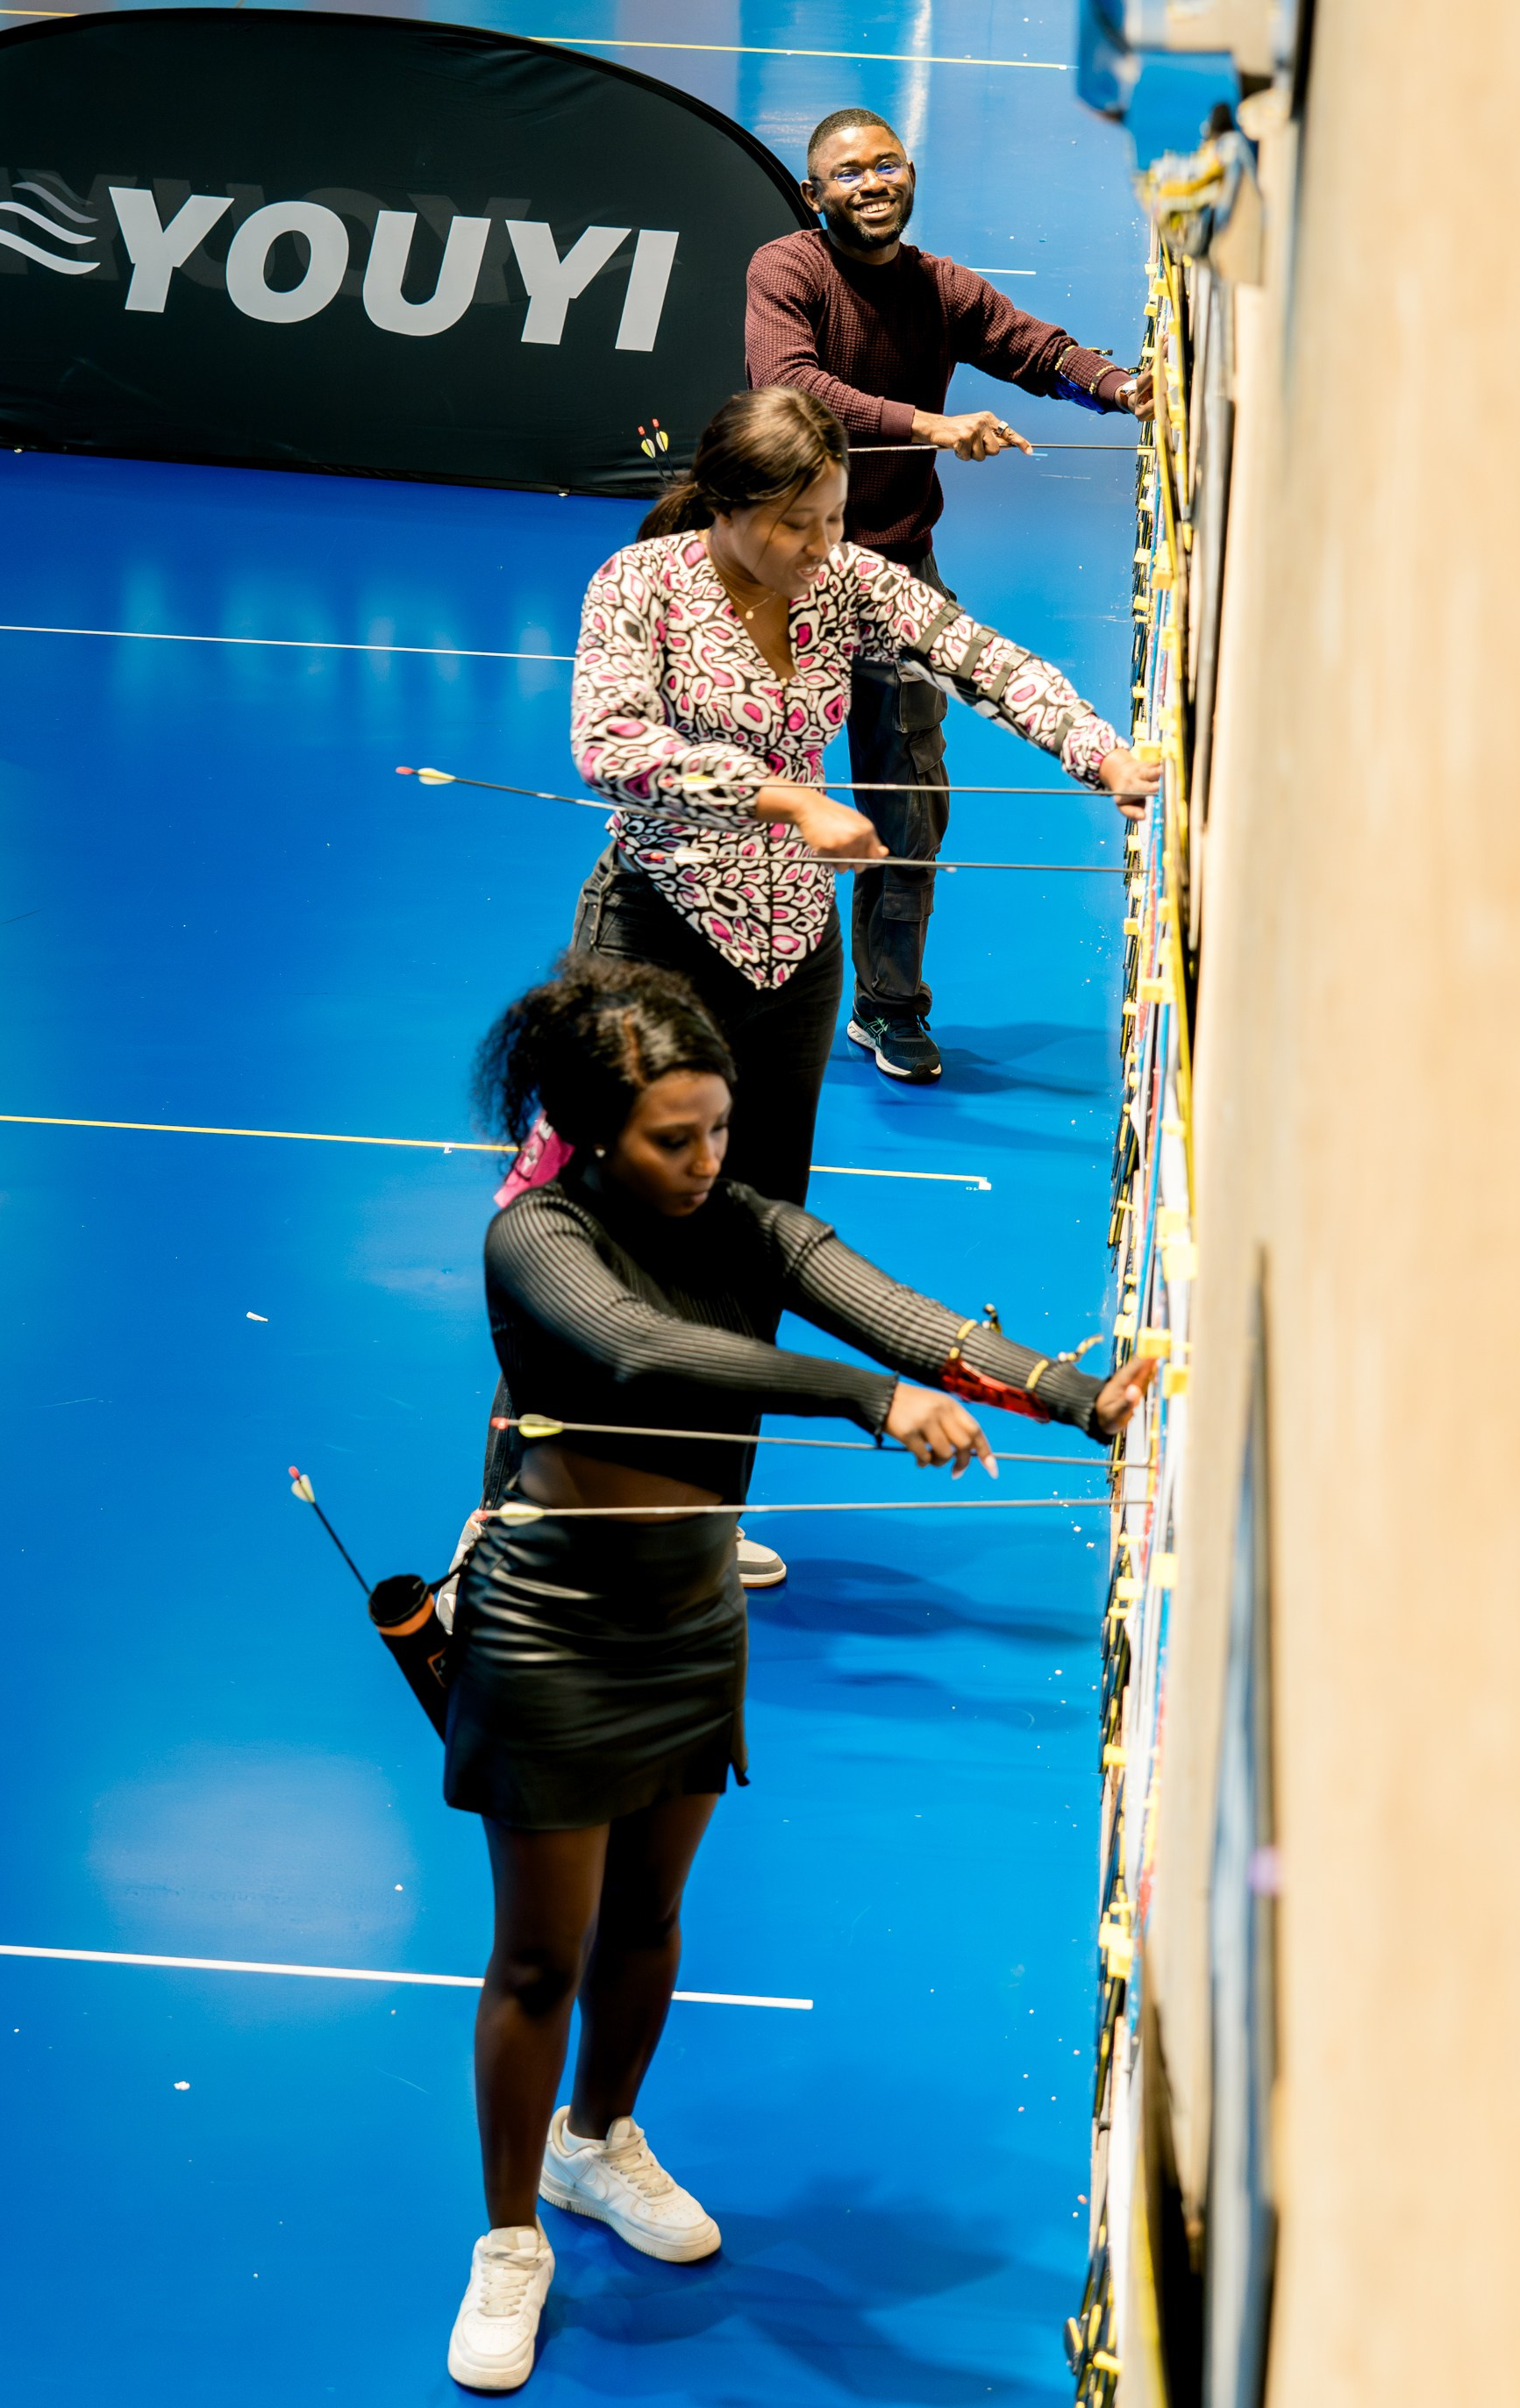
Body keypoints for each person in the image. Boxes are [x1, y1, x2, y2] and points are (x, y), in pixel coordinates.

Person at [441, 954, 1155, 2390]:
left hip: (690, 1619)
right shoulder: (537, 1240)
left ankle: (597, 2145)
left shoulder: (745, 1218)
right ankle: (509, 2238)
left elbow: (898, 1314)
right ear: (591, 1137)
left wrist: (1072, 1394)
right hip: (553, 1627)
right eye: (675, 1138)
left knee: (649, 1917)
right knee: (540, 1955)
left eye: (721, 1125)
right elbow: (644, 1356)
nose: (710, 1159)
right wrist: (873, 1401)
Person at [569, 381, 1156, 1209]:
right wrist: (789, 801)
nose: (821, 546)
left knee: (768, 1212)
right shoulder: (639, 584)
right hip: (659, 936)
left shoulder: (846, 580)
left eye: (836, 518)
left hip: (799, 955)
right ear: (725, 508)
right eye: (795, 525)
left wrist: (1102, 755)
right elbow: (611, 744)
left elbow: (983, 660)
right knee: (631, 1208)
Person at [746, 107, 1156, 1082]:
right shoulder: (787, 271)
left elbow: (1036, 350)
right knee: (754, 796)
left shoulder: (939, 288)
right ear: (813, 194)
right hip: (778, 584)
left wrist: (1123, 389)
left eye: (886, 164)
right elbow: (790, 386)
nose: (872, 183)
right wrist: (929, 425)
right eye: (849, 172)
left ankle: (886, 1006)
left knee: (908, 804)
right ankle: (743, 991)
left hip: (894, 572)